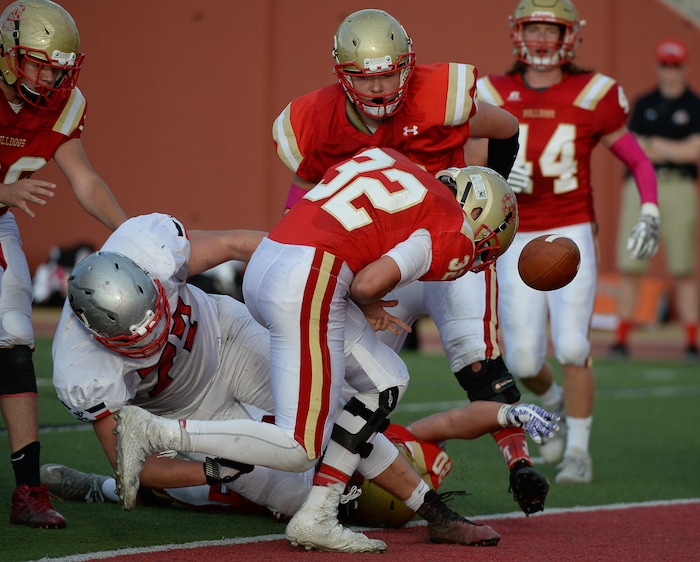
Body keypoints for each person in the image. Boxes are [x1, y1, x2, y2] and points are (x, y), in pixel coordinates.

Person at [112, 149, 529, 553]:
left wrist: (359, 294)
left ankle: (336, 513)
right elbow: (368, 283)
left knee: (386, 381)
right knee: (299, 447)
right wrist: (367, 299)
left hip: (272, 258)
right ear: (481, 219)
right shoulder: (453, 229)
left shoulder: (393, 160)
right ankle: (156, 433)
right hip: (313, 278)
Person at [272, 7, 550, 517]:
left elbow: (506, 127)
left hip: (449, 246)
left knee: (475, 354)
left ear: (408, 65)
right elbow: (304, 200)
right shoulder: (317, 119)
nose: (379, 89)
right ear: (342, 75)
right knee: (360, 381)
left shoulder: (438, 95)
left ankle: (519, 461)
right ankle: (345, 480)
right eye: (365, 77)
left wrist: (495, 190)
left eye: (389, 73)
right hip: (382, 265)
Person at [468, 0, 659, 484]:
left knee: (573, 345)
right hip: (514, 233)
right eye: (533, 28)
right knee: (525, 359)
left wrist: (651, 209)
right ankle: (551, 400)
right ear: (516, 32)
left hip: (571, 228)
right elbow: (465, 163)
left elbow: (636, 158)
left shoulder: (594, 93)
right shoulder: (492, 91)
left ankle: (578, 449)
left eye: (550, 30)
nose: (540, 39)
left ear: (569, 37)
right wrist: (503, 174)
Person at [0, 0, 127, 529]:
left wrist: (129, 233)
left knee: (13, 333)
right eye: (40, 63)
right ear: (10, 54)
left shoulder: (59, 105)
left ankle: (29, 489)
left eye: (59, 67)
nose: (50, 77)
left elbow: (84, 179)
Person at [610, 38, 700, 361]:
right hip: (641, 186)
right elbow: (632, 148)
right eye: (665, 64)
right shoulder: (645, 101)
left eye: (676, 65)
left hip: (678, 187)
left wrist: (656, 144)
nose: (670, 71)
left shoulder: (694, 105)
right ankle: (621, 339)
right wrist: (674, 148)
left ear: (685, 67)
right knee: (631, 264)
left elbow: (694, 152)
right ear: (657, 66)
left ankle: (691, 341)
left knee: (683, 267)